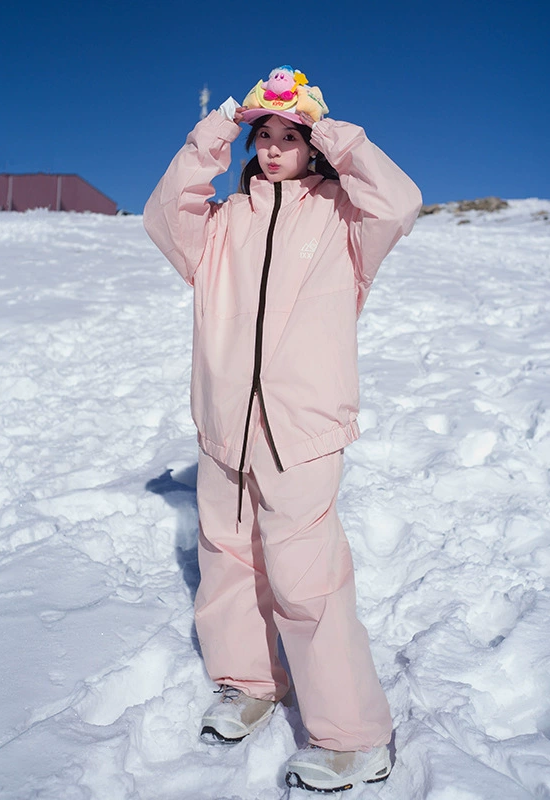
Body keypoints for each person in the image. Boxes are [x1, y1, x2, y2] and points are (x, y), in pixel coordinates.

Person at [143, 65, 422, 793]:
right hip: (224, 423)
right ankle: (251, 682)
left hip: (301, 425)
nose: (272, 148)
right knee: (228, 557)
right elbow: (164, 210)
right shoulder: (222, 225)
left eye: (288, 137)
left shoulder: (345, 219)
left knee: (308, 582)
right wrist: (221, 125)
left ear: (312, 144)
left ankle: (353, 738)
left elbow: (402, 199)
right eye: (262, 137)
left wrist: (323, 120)